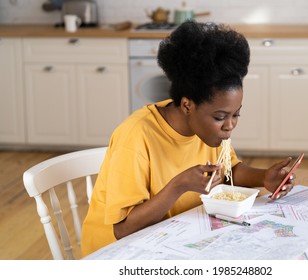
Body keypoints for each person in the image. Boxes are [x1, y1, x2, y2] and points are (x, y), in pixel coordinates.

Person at [81, 20, 295, 256]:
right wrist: (179, 185)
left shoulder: (208, 130)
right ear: (187, 105)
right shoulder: (136, 136)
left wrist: (265, 177)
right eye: (220, 116)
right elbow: (122, 229)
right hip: (117, 253)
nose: (230, 125)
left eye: (236, 114)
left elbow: (229, 170)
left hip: (174, 239)